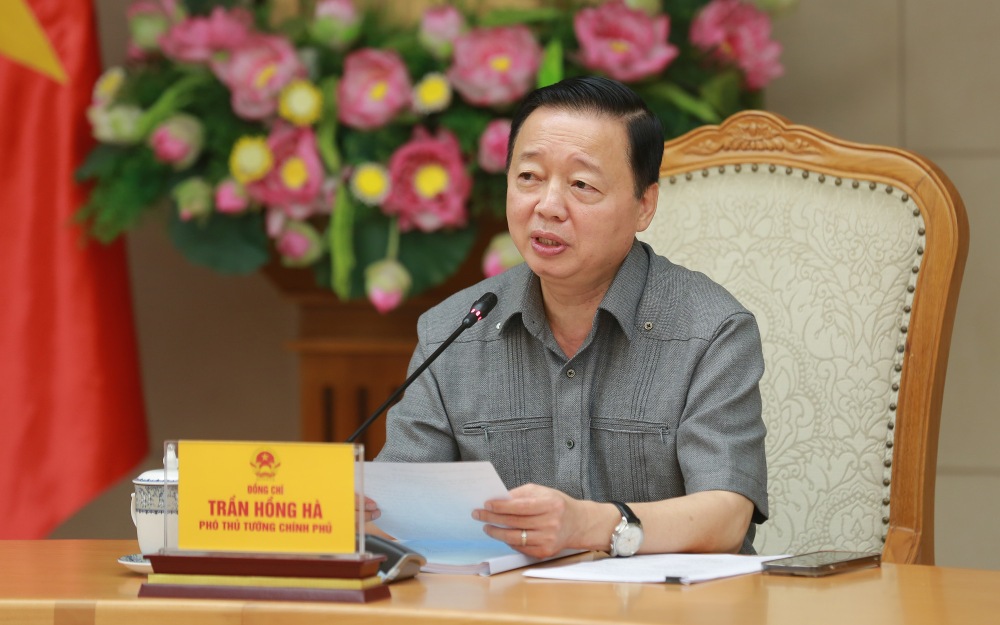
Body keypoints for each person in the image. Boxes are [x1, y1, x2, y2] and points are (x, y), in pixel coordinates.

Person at [368, 76, 768, 557]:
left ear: (644, 206)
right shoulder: (454, 329)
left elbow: (727, 516)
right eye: (529, 177)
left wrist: (591, 525)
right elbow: (399, 506)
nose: (548, 206)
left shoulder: (712, 330)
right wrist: (360, 512)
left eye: (581, 185)